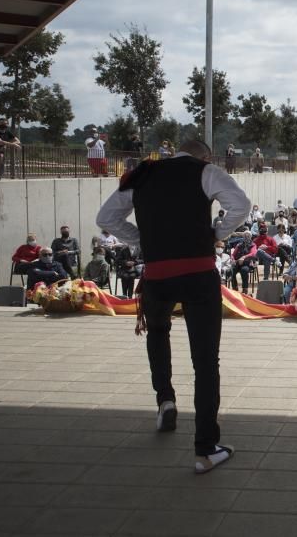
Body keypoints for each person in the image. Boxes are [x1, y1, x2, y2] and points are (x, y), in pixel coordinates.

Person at [96, 139, 251, 475]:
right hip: (197, 273)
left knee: (158, 334)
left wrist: (142, 240)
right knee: (206, 362)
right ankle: (205, 449)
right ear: (205, 155)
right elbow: (240, 204)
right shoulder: (205, 171)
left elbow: (106, 217)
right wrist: (216, 232)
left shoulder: (143, 174)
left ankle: (165, 399)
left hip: (157, 275)